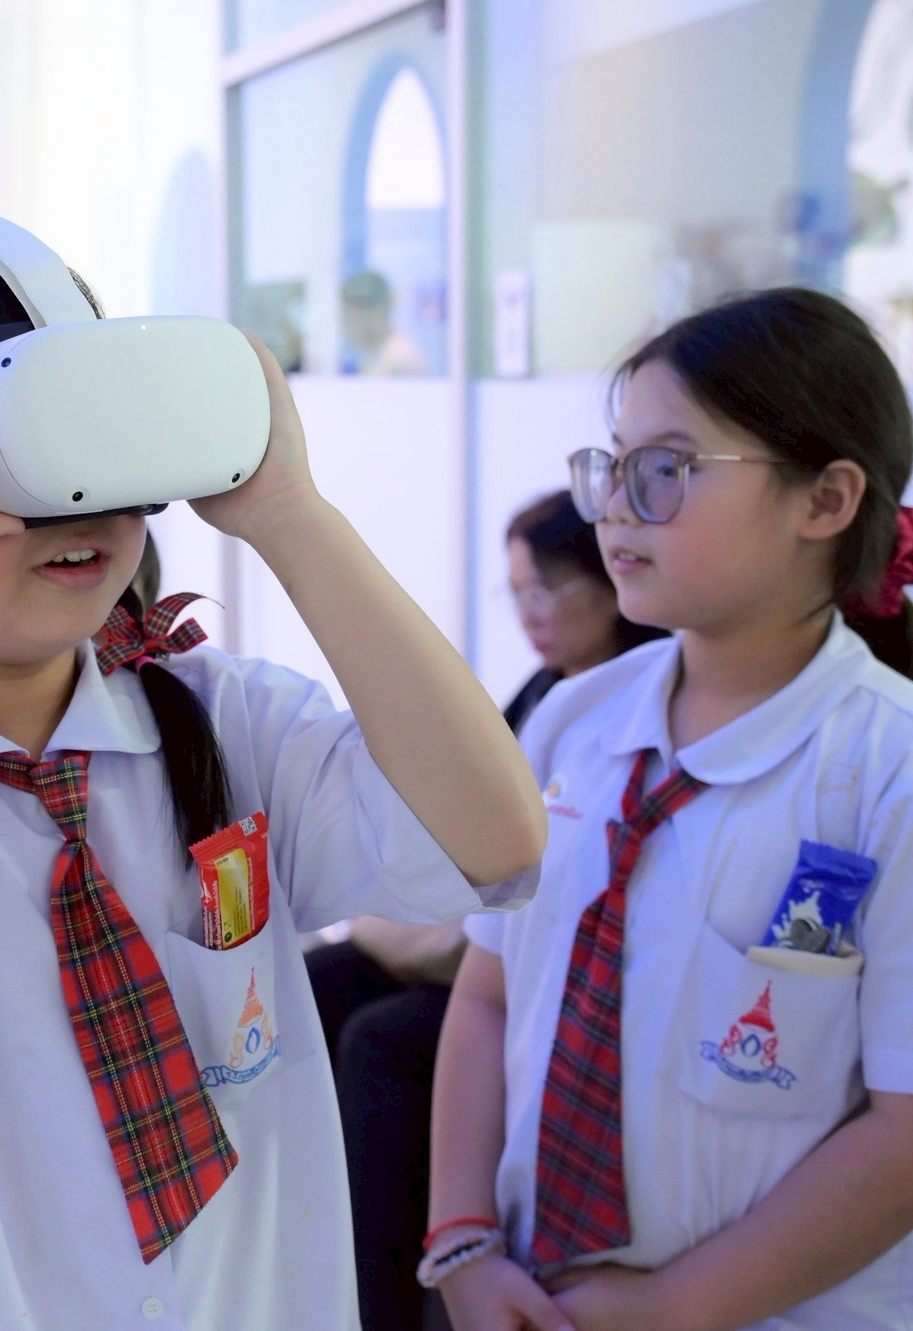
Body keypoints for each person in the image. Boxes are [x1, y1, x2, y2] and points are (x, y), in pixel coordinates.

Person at [0, 246, 546, 1328]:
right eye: (2, 463)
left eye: (98, 444)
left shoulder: (219, 718)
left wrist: (289, 513)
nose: (71, 506)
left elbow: (494, 842)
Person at [430, 288, 913, 1330]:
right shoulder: (570, 724)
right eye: (613, 463)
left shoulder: (912, 772)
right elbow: (488, 994)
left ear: (824, 501)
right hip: (543, 1295)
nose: (615, 506)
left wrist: (673, 1305)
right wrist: (460, 1238)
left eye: (667, 468)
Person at [306, 488, 667, 1331]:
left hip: (523, 957)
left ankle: (387, 1301)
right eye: (518, 593)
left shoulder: (627, 702)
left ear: (610, 582)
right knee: (316, 979)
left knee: (382, 1039)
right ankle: (308, 1256)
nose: (531, 613)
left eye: (547, 588)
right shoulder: (545, 690)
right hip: (468, 933)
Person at [501, 490, 668, 732]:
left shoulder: (660, 699)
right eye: (517, 594)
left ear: (609, 589)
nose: (527, 618)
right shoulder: (531, 703)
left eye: (540, 593)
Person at [341, 271, 427, 378]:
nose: (360, 327)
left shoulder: (400, 359)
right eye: (352, 320)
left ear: (386, 309)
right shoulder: (374, 353)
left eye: (368, 318)